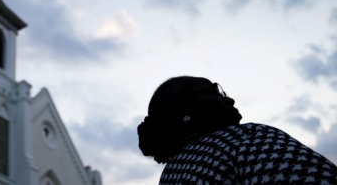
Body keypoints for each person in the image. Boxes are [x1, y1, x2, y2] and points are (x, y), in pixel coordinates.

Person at [137, 76, 337, 184]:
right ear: (188, 110)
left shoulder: (169, 177)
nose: (229, 99)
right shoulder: (246, 138)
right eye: (215, 91)